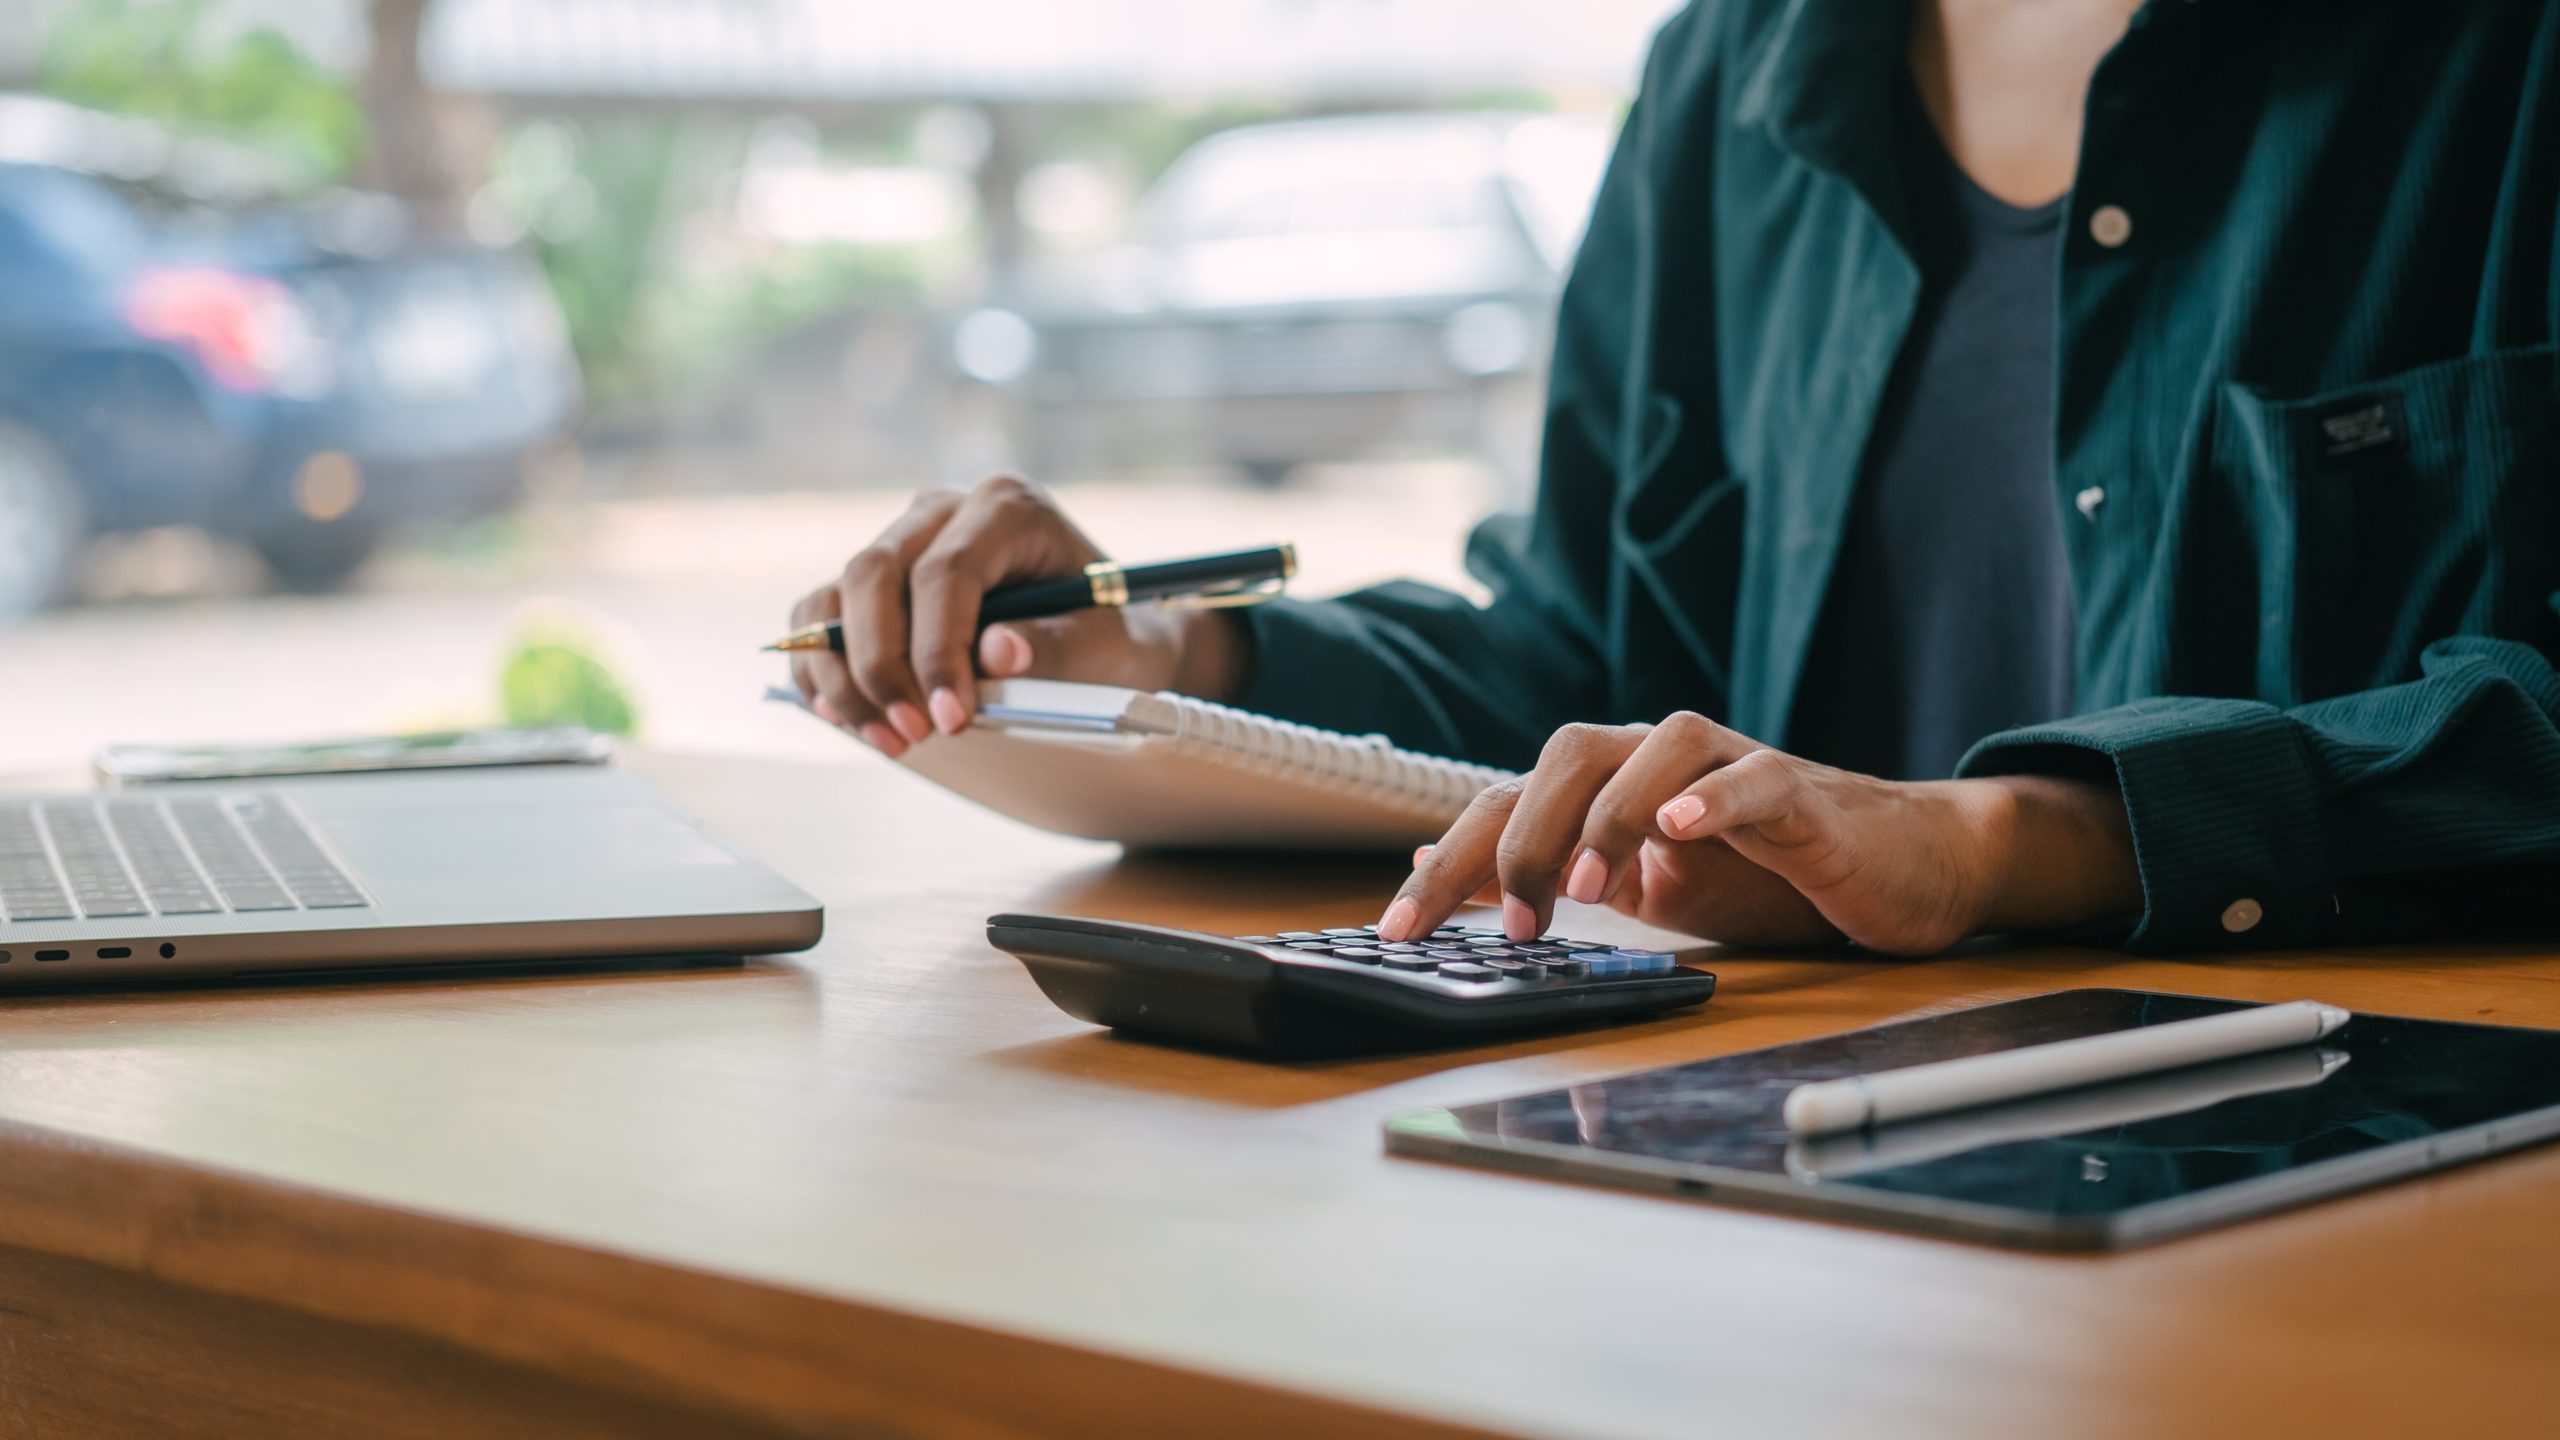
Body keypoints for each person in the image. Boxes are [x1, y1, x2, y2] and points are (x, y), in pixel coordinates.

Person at [790, 0, 2560, 956]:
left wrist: (2013, 841)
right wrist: (1178, 667)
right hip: (1788, 1170)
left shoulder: (2501, 63)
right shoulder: (1733, 70)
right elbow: (1588, 659)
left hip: (2357, 1214)